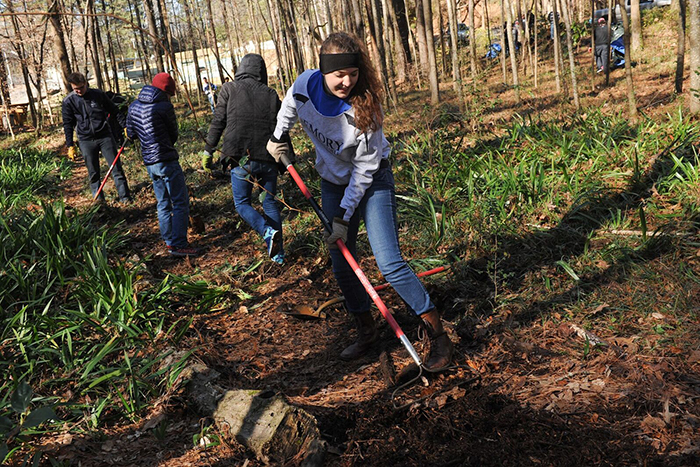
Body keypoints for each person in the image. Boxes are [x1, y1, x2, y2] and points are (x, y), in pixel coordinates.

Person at [266, 32, 454, 372]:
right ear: (324, 70)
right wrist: (279, 137)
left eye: (352, 73)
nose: (347, 81)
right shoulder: (305, 85)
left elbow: (365, 169)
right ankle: (367, 330)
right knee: (341, 262)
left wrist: (341, 215)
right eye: (339, 74)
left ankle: (437, 333)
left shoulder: (364, 109)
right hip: (332, 181)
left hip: (371, 181)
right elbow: (289, 106)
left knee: (389, 262)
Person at [202, 54, 284, 264]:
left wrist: (208, 150)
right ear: (261, 72)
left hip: (239, 157)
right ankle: (278, 256)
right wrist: (286, 161)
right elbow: (280, 128)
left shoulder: (229, 88)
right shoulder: (271, 93)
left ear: (240, 69)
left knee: (242, 204)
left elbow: (218, 121)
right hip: (268, 158)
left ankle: (266, 231)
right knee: (270, 204)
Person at [126, 73, 201, 257]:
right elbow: (173, 133)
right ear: (166, 91)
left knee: (162, 202)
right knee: (180, 202)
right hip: (166, 159)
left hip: (150, 163)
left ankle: (169, 242)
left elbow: (131, 134)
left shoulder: (133, 106)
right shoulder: (164, 106)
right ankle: (179, 245)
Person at [62, 72, 131, 203]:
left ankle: (125, 197)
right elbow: (67, 124)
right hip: (85, 140)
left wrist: (125, 126)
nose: (79, 91)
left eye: (81, 88)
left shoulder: (98, 95)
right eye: (75, 89)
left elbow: (114, 110)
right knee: (93, 172)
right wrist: (70, 144)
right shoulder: (68, 101)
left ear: (85, 84)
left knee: (116, 167)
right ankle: (100, 202)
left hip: (104, 136)